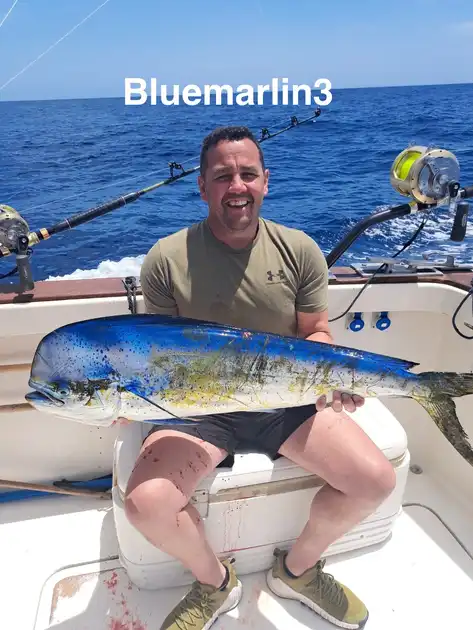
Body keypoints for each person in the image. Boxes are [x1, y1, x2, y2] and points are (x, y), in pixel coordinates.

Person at [124, 125, 396, 630]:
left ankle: (297, 571)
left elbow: (316, 332)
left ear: (266, 182)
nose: (237, 186)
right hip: (201, 407)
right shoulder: (166, 259)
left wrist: (333, 375)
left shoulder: (300, 250)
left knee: (375, 480)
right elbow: (159, 354)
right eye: (222, 176)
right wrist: (130, 400)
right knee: (146, 504)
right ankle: (214, 583)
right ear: (202, 186)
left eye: (248, 174)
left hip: (285, 401)